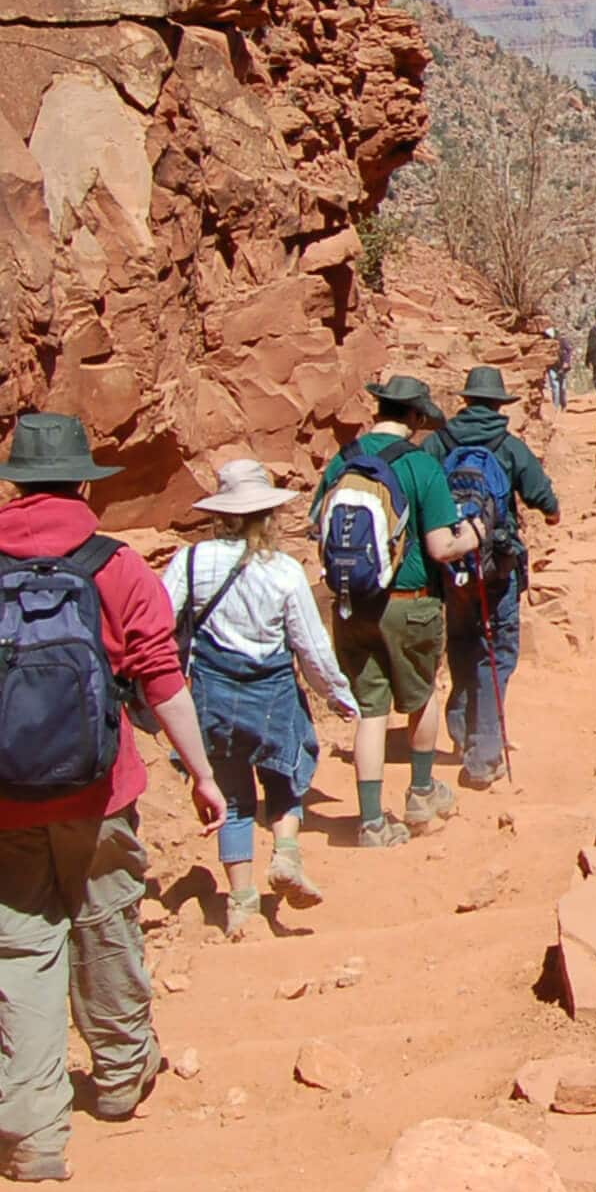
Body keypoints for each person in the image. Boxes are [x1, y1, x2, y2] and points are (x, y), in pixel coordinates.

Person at [0, 413, 226, 1183]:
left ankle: (33, 1133)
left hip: (6, 802)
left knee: (22, 952)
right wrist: (200, 773)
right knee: (105, 923)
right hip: (101, 790)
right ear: (82, 482)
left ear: (16, 483)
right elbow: (161, 678)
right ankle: (123, 1077)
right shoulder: (116, 566)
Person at [162, 459, 360, 939]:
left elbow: (159, 620)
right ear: (267, 515)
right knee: (286, 775)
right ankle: (287, 855)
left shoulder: (190, 561)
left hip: (212, 692)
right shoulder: (285, 572)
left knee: (230, 797)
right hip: (271, 689)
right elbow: (309, 644)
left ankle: (241, 903)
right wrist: (336, 692)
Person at [307, 377, 488, 845]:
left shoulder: (344, 460)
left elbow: (317, 526)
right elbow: (440, 545)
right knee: (421, 695)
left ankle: (370, 821)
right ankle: (421, 793)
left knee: (371, 712)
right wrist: (475, 534)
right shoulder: (420, 466)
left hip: (352, 605)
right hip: (410, 604)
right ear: (415, 417)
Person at [422, 366, 561, 788]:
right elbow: (543, 498)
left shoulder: (438, 443)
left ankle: (462, 729)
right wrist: (552, 513)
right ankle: (483, 755)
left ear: (465, 401)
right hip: (497, 566)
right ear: (500, 405)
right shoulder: (508, 446)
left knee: (462, 643)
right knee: (497, 651)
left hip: (450, 565)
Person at [543, 325, 573, 411]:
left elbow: (569, 350)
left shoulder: (562, 341)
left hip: (562, 367)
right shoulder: (545, 344)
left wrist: (567, 362)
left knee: (562, 387)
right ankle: (555, 407)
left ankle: (563, 405)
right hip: (552, 367)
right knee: (555, 387)